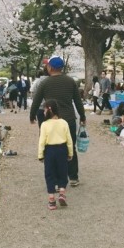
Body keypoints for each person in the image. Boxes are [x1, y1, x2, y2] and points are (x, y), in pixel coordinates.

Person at [30, 55, 86, 187]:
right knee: (70, 146)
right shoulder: (70, 81)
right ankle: (73, 177)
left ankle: (55, 179)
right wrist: (83, 116)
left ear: (49, 67)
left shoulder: (45, 83)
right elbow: (78, 101)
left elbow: (36, 101)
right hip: (68, 119)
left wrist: (32, 116)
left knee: (51, 149)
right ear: (62, 68)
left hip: (51, 120)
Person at [38, 99, 73, 210]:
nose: (43, 112)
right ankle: (62, 193)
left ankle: (52, 200)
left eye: (44, 110)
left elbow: (41, 141)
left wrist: (40, 155)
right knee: (63, 171)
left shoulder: (44, 124)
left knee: (49, 173)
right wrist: (70, 153)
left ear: (49, 110)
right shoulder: (64, 123)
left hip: (49, 151)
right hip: (62, 149)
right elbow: (69, 140)